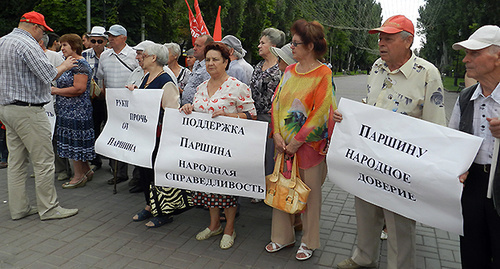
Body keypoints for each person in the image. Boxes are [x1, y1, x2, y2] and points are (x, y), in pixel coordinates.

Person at [336, 15, 446, 269]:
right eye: (380, 38)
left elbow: (436, 125)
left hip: (402, 165)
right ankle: (363, 258)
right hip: (368, 158)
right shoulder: (377, 67)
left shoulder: (427, 73)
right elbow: (371, 105)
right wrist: (349, 116)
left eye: (388, 38)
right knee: (365, 212)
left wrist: (428, 169)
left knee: (399, 223)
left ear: (408, 41)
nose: (381, 43)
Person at [265, 20, 336, 261]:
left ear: (310, 46)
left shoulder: (323, 73)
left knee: (310, 193)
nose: (291, 47)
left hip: (309, 147)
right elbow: (276, 102)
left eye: (295, 43)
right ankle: (282, 236)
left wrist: (298, 140)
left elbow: (322, 110)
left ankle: (309, 240)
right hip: (283, 145)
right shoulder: (288, 71)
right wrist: (276, 133)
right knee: (282, 188)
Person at [0, 11, 78, 220]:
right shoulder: (27, 44)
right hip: (28, 110)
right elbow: (49, 74)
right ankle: (49, 208)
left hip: (7, 108)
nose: (44, 35)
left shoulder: (3, 41)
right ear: (35, 27)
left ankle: (19, 208)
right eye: (43, 30)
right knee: (43, 161)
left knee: (16, 161)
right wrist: (65, 65)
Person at [180, 42, 257, 249]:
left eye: (215, 59)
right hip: (204, 147)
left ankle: (230, 228)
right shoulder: (200, 87)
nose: (211, 63)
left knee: (227, 189)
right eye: (207, 60)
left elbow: (252, 115)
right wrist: (188, 108)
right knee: (208, 187)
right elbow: (196, 112)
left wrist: (229, 116)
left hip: (228, 149)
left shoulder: (238, 87)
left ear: (226, 62)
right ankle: (214, 225)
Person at [449, 25, 500, 269]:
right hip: (472, 187)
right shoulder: (465, 97)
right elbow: (453, 142)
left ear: (497, 56)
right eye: (466, 53)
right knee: (472, 253)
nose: (466, 59)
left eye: (474, 53)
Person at [126, 43, 188, 228]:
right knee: (145, 171)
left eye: (143, 55)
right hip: (146, 134)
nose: (140, 57)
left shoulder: (166, 80)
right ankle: (150, 205)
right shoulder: (146, 77)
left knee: (156, 172)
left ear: (153, 58)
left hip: (159, 135)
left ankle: (164, 211)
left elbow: (172, 110)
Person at [96, 24, 139, 185]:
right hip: (111, 104)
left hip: (131, 104)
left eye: (114, 36)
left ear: (124, 38)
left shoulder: (134, 55)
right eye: (109, 36)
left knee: (132, 138)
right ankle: (118, 172)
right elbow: (102, 77)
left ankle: (137, 175)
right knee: (115, 137)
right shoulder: (105, 56)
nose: (110, 39)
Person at [51, 34, 95, 189]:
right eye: (61, 45)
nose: (61, 48)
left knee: (75, 144)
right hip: (67, 110)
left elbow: (79, 88)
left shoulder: (80, 65)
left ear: (74, 46)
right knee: (74, 142)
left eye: (65, 45)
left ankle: (78, 176)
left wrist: (56, 90)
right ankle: (87, 170)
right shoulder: (69, 63)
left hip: (77, 111)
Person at [249, 27, 285, 203]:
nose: (258, 46)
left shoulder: (282, 68)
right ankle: (258, 188)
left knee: (271, 155)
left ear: (274, 47)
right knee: (257, 155)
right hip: (255, 117)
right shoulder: (258, 66)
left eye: (263, 43)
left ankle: (270, 190)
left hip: (272, 119)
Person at [82, 26, 108, 172]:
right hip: (93, 99)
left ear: (105, 41)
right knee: (93, 128)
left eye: (100, 41)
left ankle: (113, 162)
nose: (97, 44)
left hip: (109, 97)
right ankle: (95, 160)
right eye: (93, 40)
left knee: (110, 128)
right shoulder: (84, 55)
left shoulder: (111, 55)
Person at [180, 34, 213, 106]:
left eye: (198, 46)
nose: (194, 48)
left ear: (208, 48)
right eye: (195, 45)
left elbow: (209, 92)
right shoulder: (197, 63)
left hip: (198, 111)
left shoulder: (210, 67)